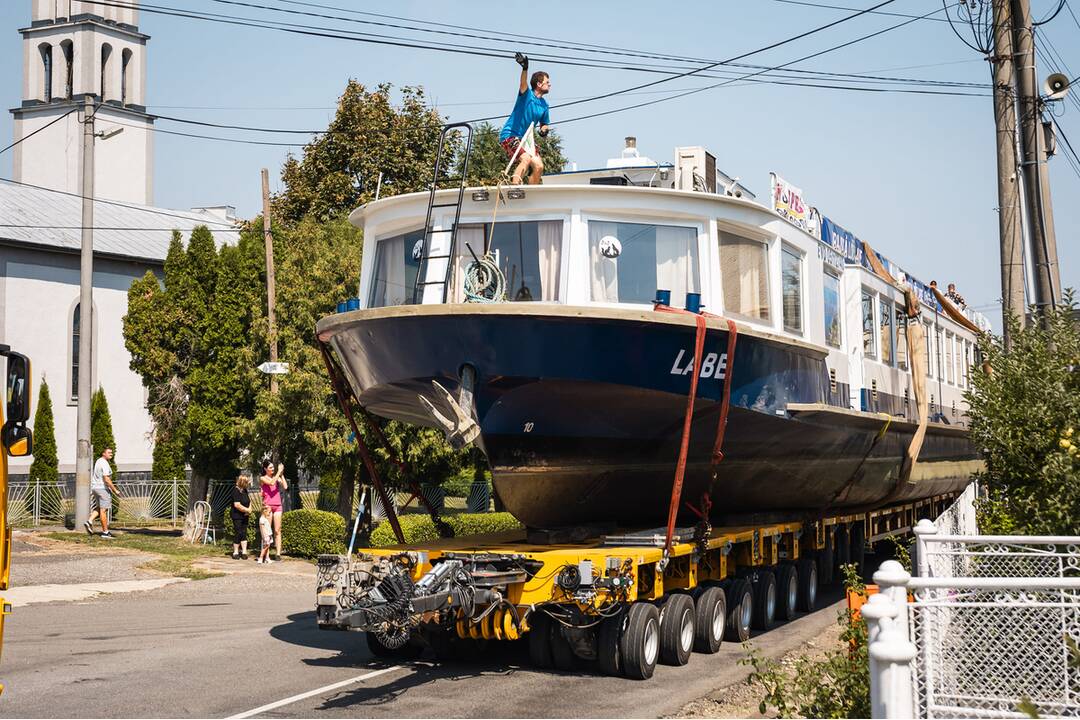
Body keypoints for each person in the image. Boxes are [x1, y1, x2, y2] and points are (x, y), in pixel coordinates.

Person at [499, 52, 551, 186]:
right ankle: (515, 187)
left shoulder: (544, 105)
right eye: (547, 82)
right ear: (539, 84)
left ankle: (530, 192)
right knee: (526, 158)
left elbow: (544, 123)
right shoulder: (526, 95)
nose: (549, 85)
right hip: (511, 135)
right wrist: (525, 69)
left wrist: (544, 130)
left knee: (539, 166)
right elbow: (523, 83)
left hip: (526, 138)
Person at [84, 447, 119, 538]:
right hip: (102, 489)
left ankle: (89, 521)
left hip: (95, 488)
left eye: (111, 452)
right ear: (103, 453)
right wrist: (115, 490)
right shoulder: (104, 463)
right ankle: (105, 532)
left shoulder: (98, 461)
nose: (111, 454)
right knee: (104, 510)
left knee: (99, 507)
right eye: (109, 452)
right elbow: (106, 479)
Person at [259, 460, 287, 560]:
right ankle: (265, 555)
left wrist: (282, 474)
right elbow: (271, 483)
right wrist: (278, 473)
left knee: (277, 530)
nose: (272, 469)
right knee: (267, 531)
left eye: (273, 468)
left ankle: (278, 554)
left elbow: (285, 486)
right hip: (268, 507)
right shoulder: (262, 478)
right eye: (270, 468)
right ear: (265, 469)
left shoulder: (277, 476)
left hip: (278, 505)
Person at [230, 474, 253, 560]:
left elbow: (249, 501)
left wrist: (250, 509)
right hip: (237, 515)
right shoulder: (235, 491)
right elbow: (237, 505)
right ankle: (235, 552)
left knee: (244, 533)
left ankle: (244, 552)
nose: (248, 483)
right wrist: (247, 510)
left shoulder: (244, 490)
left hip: (245, 515)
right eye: (247, 482)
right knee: (238, 532)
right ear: (242, 482)